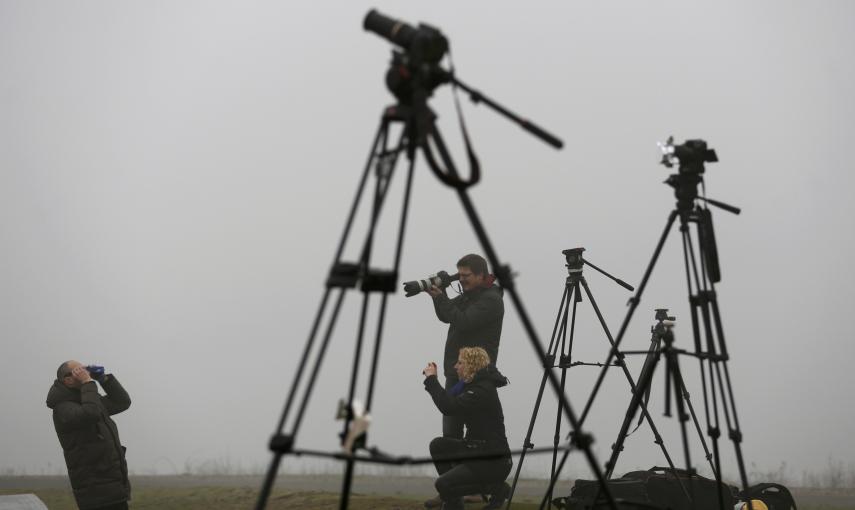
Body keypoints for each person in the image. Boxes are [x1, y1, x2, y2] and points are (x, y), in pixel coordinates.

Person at [423, 347, 513, 510]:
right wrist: (433, 381)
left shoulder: (482, 390)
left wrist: (431, 379)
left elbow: (448, 407)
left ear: (472, 365)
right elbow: (448, 398)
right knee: (438, 445)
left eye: (460, 363)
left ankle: (496, 489)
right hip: (475, 449)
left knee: (442, 484)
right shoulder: (470, 385)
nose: (455, 367)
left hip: (492, 460)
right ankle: (454, 503)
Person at [427, 253, 504, 439]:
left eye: (466, 276)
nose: (461, 280)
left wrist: (441, 298)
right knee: (450, 435)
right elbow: (446, 316)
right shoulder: (469, 296)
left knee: (477, 431)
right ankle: (456, 468)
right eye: (459, 275)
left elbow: (464, 321)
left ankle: (476, 466)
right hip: (457, 371)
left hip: (477, 375)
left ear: (480, 275)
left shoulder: (491, 300)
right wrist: (439, 294)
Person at [46, 360, 131, 510]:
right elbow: (90, 414)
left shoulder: (90, 401)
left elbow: (122, 402)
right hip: (95, 491)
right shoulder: (63, 408)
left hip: (112, 484)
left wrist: (103, 379)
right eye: (79, 370)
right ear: (68, 380)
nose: (85, 372)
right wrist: (87, 382)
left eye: (84, 369)